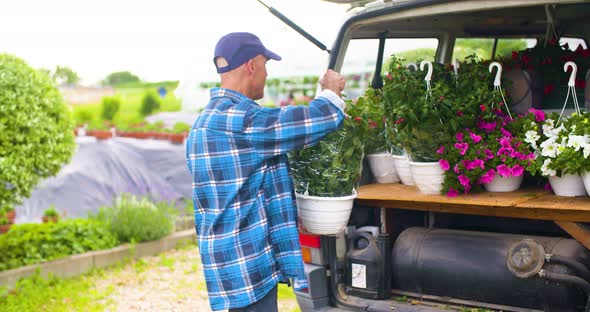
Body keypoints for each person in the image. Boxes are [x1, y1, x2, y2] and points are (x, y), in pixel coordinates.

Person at [185, 32, 346, 312]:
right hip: (246, 266)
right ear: (251, 66)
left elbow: (248, 184)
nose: (267, 74)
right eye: (265, 65)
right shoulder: (240, 120)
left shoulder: (204, 122)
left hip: (229, 265)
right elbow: (312, 121)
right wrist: (331, 93)